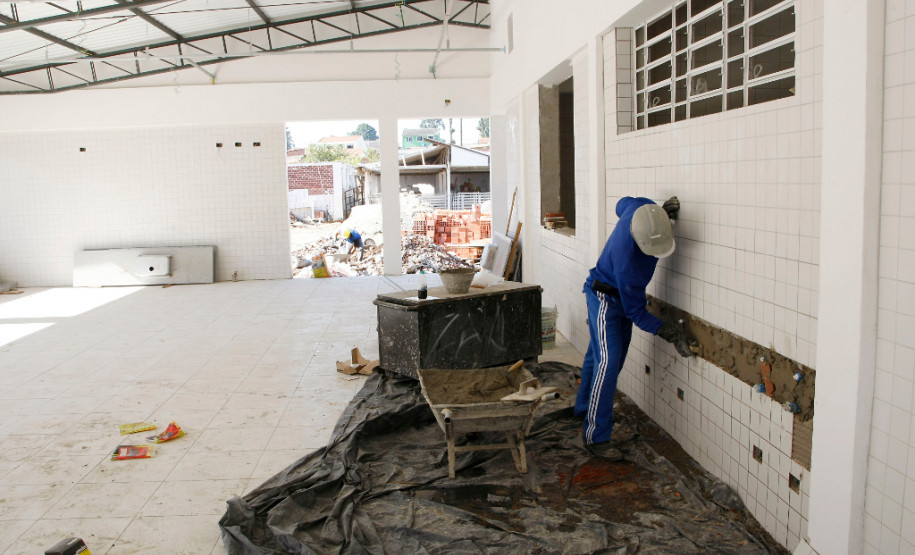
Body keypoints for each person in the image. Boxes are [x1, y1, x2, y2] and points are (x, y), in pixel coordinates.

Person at [574, 196, 695, 461]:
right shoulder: (629, 263)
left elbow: (621, 204)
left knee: (598, 355)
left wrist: (658, 216)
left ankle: (585, 408)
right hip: (605, 300)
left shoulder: (639, 207)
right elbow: (636, 312)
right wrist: (669, 332)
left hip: (616, 293)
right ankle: (596, 437)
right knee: (608, 362)